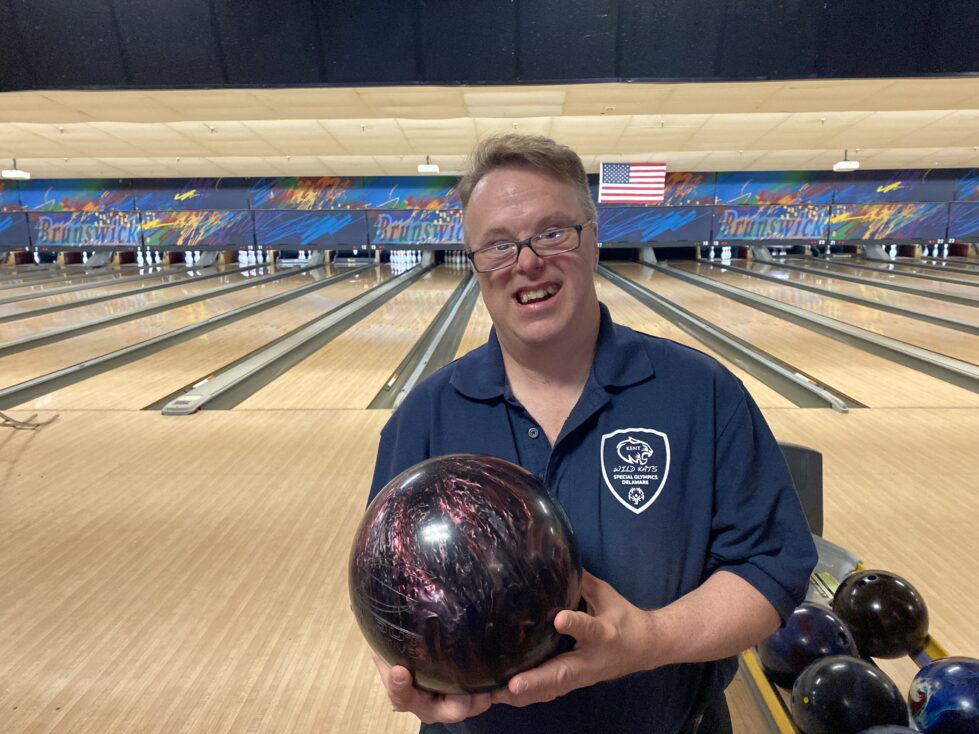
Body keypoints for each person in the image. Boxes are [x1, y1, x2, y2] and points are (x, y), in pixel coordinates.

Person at [366, 134, 817, 734]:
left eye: (553, 232)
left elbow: (770, 567)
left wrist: (650, 639)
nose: (527, 262)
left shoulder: (701, 393)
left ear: (594, 236)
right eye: (498, 245)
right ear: (474, 264)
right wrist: (408, 675)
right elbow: (386, 588)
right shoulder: (423, 418)